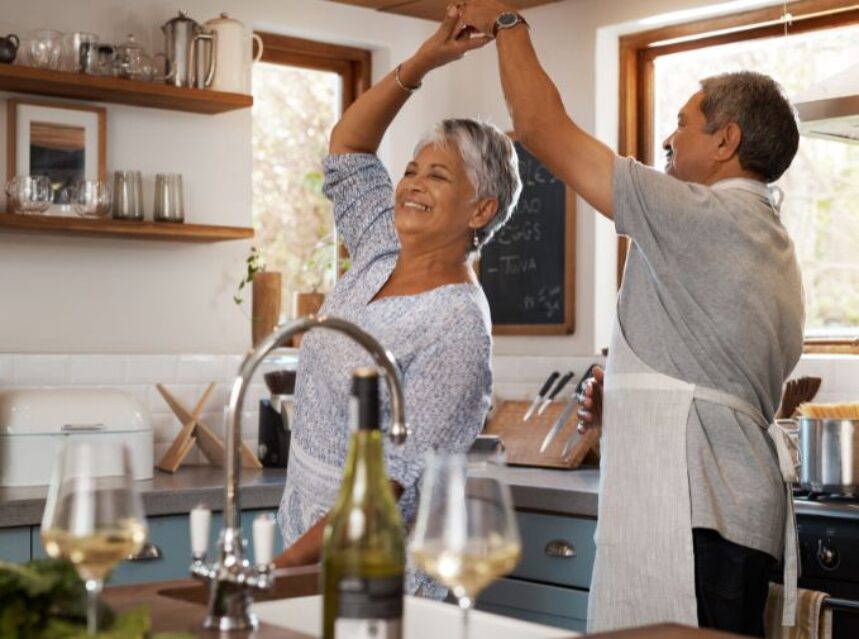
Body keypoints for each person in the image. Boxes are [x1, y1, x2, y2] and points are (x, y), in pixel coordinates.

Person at [459, 1, 804, 636]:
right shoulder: (763, 231)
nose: (668, 140)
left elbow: (536, 124)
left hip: (702, 513)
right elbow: (710, 371)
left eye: (683, 125)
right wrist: (626, 410)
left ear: (727, 141)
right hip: (726, 509)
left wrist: (506, 19)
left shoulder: (700, 214)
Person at [273, 7, 522, 599]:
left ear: (480, 210)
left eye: (437, 176)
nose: (410, 184)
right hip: (307, 531)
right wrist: (423, 62)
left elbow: (385, 492)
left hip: (375, 568)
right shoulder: (380, 247)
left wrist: (275, 572)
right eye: (411, 169)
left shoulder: (458, 328)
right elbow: (349, 147)